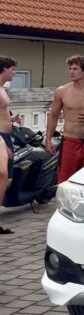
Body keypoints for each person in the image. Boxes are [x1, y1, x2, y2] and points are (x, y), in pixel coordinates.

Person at [45, 56, 84, 184]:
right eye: (70, 68)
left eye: (75, 69)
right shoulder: (62, 91)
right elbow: (53, 115)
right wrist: (48, 139)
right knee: (64, 179)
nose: (71, 71)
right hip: (70, 141)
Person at [0, 57, 20, 234]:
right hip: (0, 138)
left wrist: (12, 119)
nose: (14, 72)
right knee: (3, 176)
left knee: (6, 178)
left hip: (6, 135)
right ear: (4, 69)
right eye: (12, 69)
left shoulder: (2, 89)